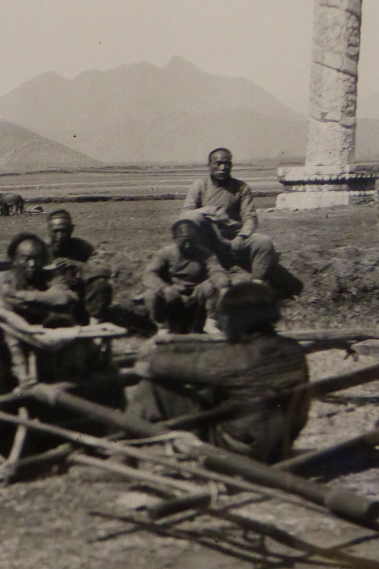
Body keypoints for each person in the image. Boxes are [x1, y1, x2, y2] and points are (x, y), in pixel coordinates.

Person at [130, 282, 310, 464]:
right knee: (212, 392)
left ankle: (122, 453)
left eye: (222, 316)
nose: (220, 324)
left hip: (237, 450)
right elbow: (215, 356)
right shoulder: (291, 349)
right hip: (277, 445)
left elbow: (150, 366)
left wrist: (153, 354)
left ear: (236, 319)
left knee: (153, 386)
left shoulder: (236, 358)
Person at [182, 148, 299, 294]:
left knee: (264, 242)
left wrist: (242, 236)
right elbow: (187, 213)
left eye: (227, 164)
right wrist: (212, 211)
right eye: (218, 163)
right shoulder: (199, 185)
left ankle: (257, 285)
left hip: (233, 236)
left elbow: (250, 216)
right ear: (209, 165)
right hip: (208, 237)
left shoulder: (241, 187)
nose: (223, 168)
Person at [142, 216, 237, 334]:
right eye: (183, 241)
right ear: (175, 238)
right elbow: (150, 274)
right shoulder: (165, 253)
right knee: (151, 294)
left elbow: (216, 270)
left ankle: (211, 322)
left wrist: (223, 284)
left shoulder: (204, 253)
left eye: (191, 240)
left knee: (213, 286)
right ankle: (163, 326)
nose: (187, 245)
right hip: (173, 292)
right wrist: (165, 288)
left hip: (196, 292)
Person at [0, 233, 86, 327]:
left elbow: (63, 297)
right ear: (15, 258)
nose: (32, 264)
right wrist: (43, 301)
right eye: (26, 258)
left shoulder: (50, 276)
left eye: (36, 258)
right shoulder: (3, 277)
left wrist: (18, 295)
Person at [46, 209, 115, 321]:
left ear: (72, 230)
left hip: (81, 298)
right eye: (55, 231)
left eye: (64, 231)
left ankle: (94, 324)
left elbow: (105, 270)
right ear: (49, 231)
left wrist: (78, 265)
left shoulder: (82, 247)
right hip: (51, 299)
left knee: (101, 284)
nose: (60, 236)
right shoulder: (41, 250)